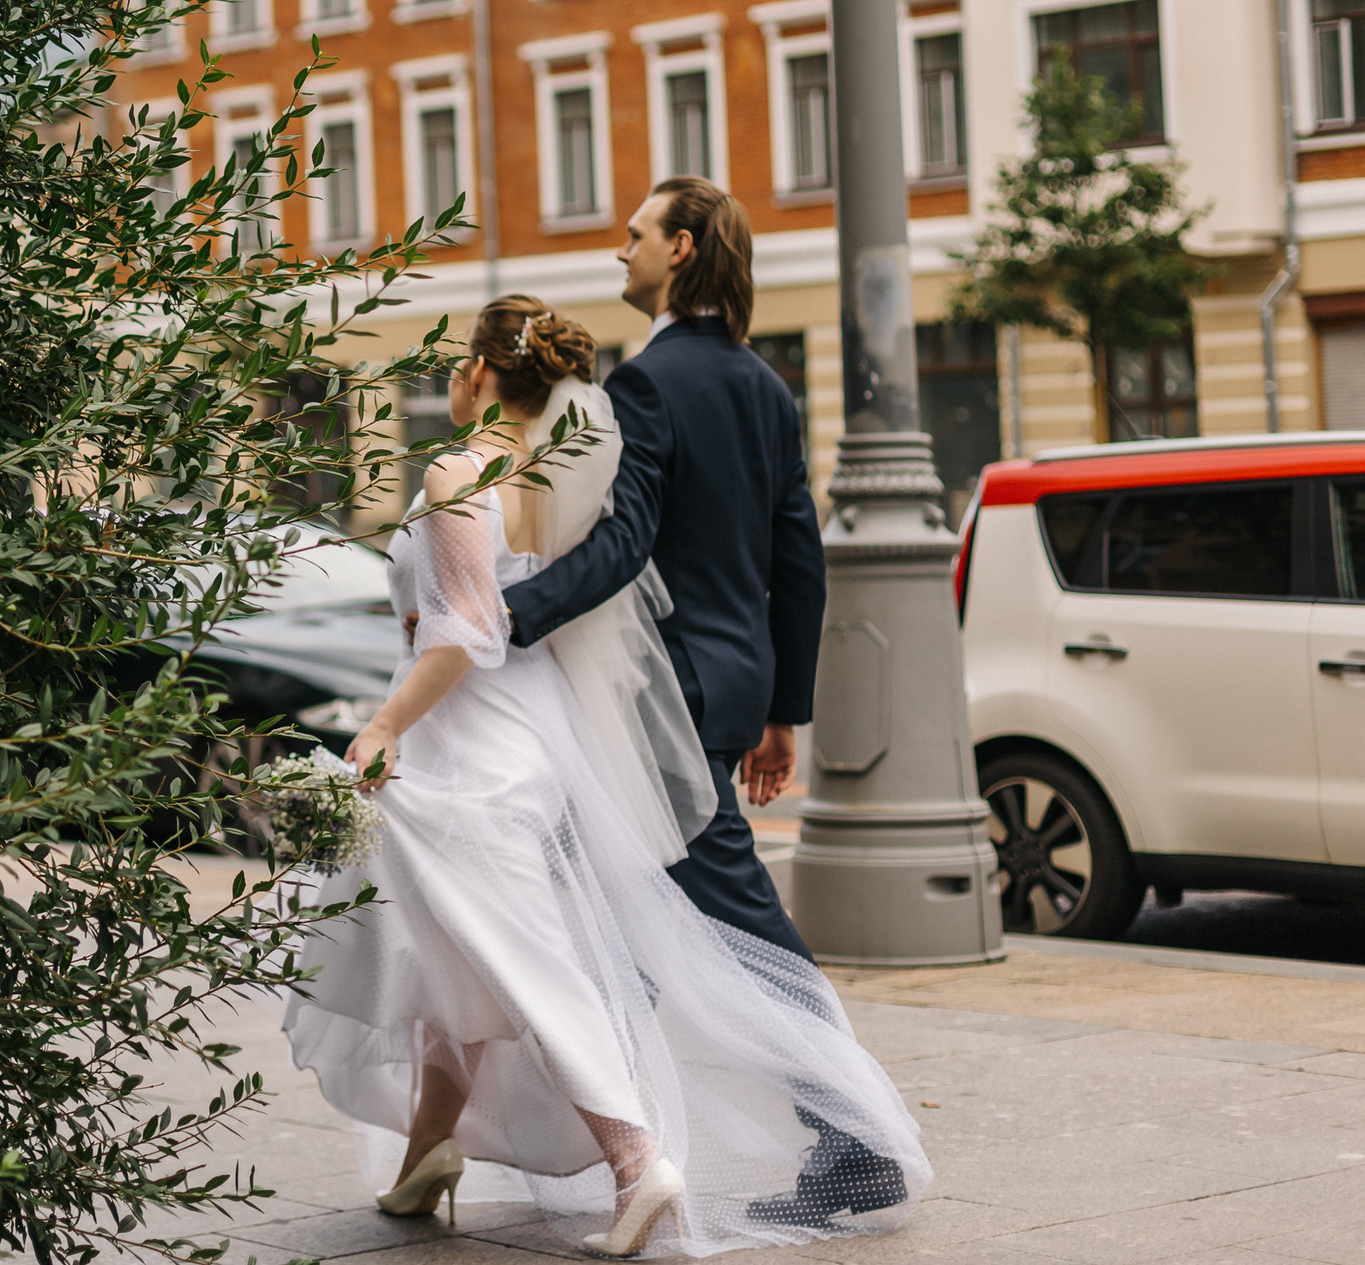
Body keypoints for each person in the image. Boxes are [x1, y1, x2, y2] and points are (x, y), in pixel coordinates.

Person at [281, 290, 926, 1257]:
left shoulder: (459, 467)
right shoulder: (545, 481)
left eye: (463, 357)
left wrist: (378, 728)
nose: (454, 372)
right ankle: (428, 1149)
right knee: (455, 942)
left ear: (487, 374)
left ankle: (635, 1161)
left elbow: (464, 630)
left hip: (473, 748)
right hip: (529, 736)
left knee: (520, 959)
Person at [495, 175, 905, 1224]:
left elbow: (625, 546)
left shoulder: (648, 382)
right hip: (722, 682)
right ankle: (621, 1146)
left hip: (658, 700)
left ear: (679, 250)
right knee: (613, 916)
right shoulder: (764, 384)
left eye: (633, 235)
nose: (616, 252)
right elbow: (792, 558)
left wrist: (503, 617)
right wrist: (781, 707)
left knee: (738, 920)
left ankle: (856, 1137)